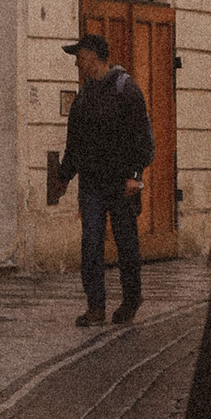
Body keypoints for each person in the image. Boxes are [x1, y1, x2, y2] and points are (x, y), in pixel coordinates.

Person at [55, 34, 153, 324]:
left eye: (79, 55)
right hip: (92, 184)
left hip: (122, 183)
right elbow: (74, 144)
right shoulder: (83, 97)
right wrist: (63, 177)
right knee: (91, 244)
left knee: (126, 244)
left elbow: (143, 139)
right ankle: (95, 306)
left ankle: (131, 298)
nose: (76, 61)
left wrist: (135, 175)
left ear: (94, 56)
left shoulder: (127, 90)